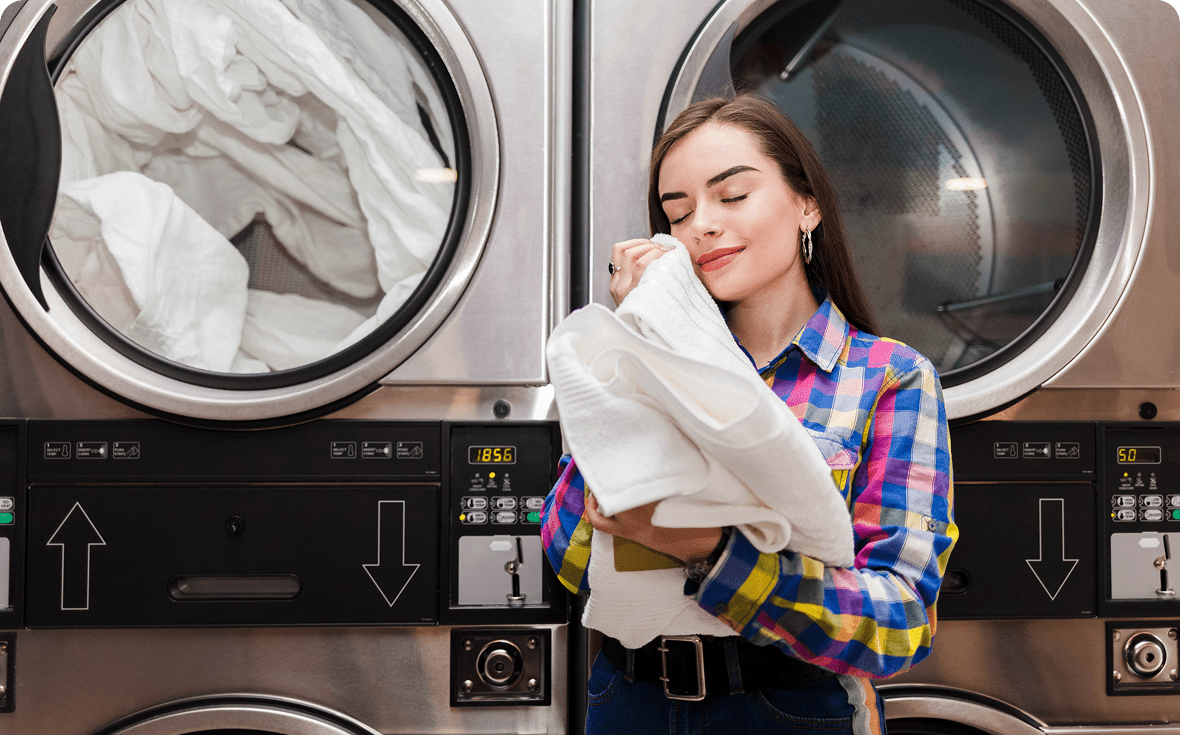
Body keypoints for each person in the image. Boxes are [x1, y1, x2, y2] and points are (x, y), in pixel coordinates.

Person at [542, 93, 956, 734]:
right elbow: (571, 562)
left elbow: (898, 623)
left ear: (806, 205)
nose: (701, 225)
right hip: (626, 700)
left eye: (731, 197)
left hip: (789, 707)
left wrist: (714, 553)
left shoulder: (888, 378)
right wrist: (639, 340)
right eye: (677, 213)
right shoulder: (646, 359)